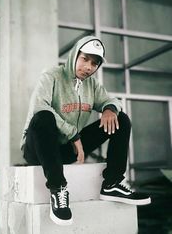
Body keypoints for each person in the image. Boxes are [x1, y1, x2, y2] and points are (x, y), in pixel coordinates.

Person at [20, 36, 151, 226]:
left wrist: (109, 109)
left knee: (120, 119)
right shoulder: (51, 76)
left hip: (67, 151)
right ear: (74, 56)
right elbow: (40, 107)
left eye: (94, 63)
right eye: (85, 59)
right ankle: (58, 189)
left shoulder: (92, 85)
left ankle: (112, 183)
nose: (89, 67)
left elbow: (112, 100)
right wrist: (72, 133)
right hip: (37, 150)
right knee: (43, 117)